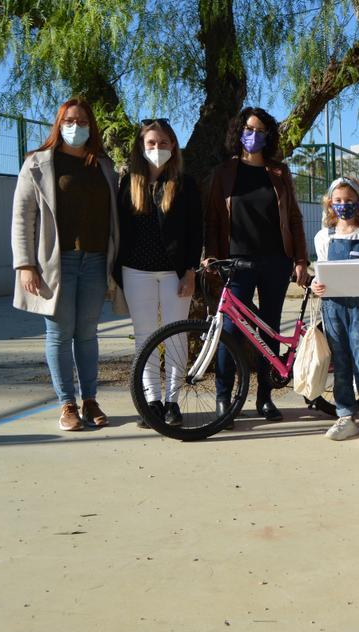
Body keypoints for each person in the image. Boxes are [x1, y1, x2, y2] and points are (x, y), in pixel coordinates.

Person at [11, 98, 119, 431]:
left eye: (83, 121)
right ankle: (67, 404)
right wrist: (25, 264)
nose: (76, 127)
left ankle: (89, 400)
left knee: (87, 334)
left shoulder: (103, 165)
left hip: (96, 261)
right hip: (55, 264)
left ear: (92, 126)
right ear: (59, 124)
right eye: (69, 121)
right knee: (59, 335)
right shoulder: (38, 163)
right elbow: (22, 216)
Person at [204, 107, 311, 427]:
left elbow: (293, 218)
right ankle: (225, 398)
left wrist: (301, 260)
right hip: (236, 263)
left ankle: (264, 396)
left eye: (261, 131)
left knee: (269, 330)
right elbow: (212, 220)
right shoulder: (223, 173)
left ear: (269, 136)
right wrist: (210, 255)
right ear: (238, 132)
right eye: (249, 129)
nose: (254, 136)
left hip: (276, 262)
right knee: (230, 331)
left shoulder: (279, 172)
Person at [113, 119, 203, 429]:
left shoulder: (186, 184)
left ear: (173, 146)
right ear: (141, 146)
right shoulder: (128, 183)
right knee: (146, 336)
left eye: (163, 143)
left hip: (175, 273)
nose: (157, 148)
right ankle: (151, 400)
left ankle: (172, 401)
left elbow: (195, 233)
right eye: (151, 143)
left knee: (177, 335)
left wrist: (191, 271)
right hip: (136, 272)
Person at [311, 177, 359, 447]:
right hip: (333, 309)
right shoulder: (323, 236)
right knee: (341, 365)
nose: (343, 205)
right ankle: (345, 417)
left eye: (349, 201)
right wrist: (315, 285)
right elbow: (318, 274)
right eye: (338, 201)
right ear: (330, 204)